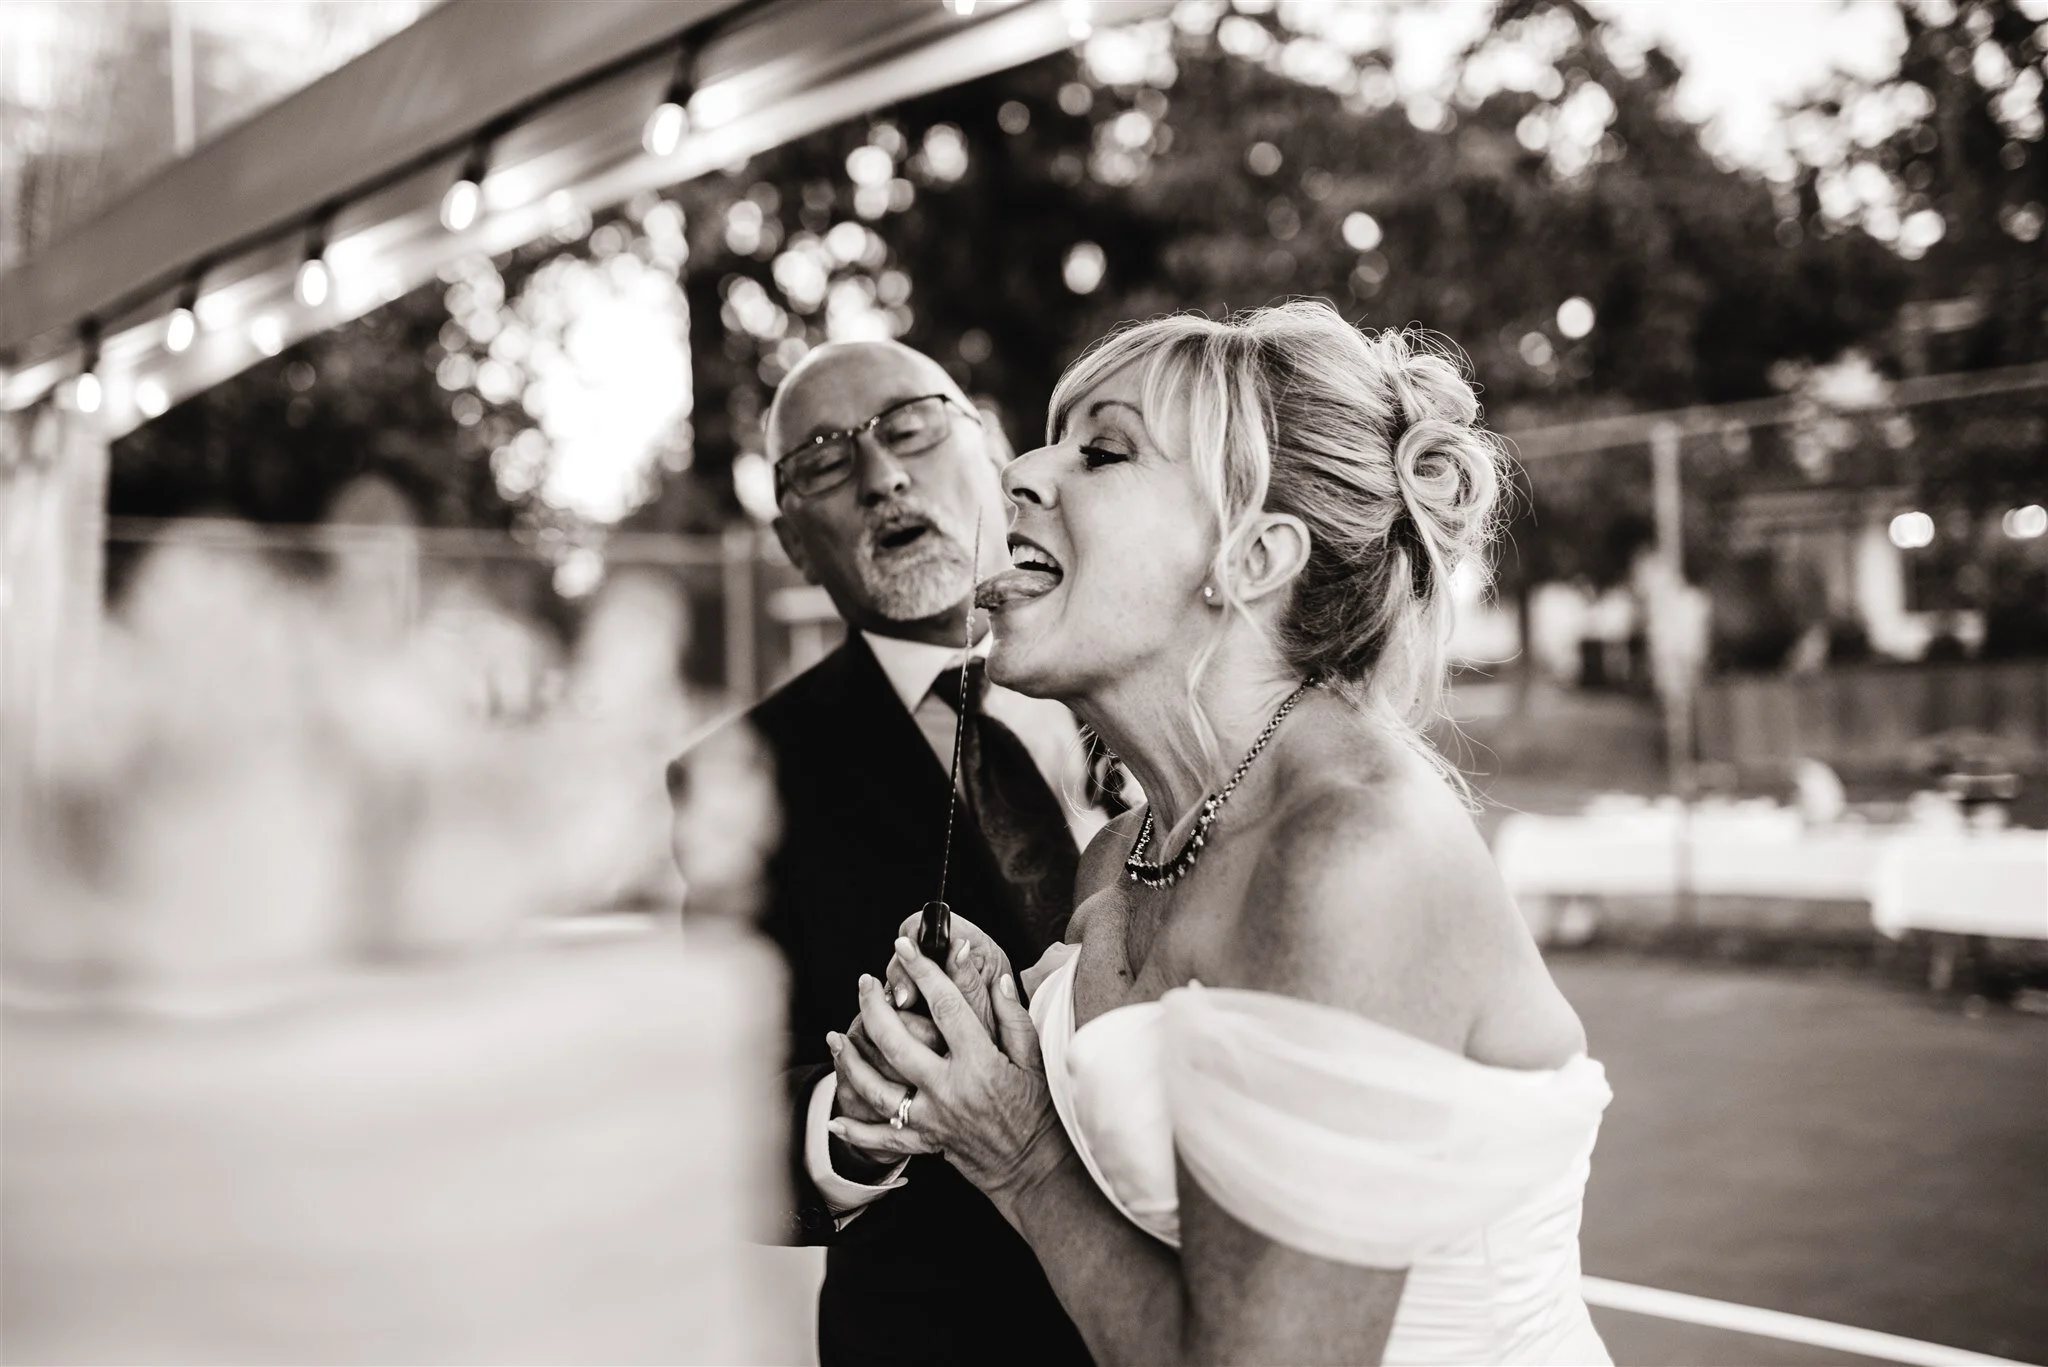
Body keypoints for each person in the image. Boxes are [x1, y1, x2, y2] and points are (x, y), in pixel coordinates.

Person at [828, 303, 1616, 1365]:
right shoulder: (1124, 853)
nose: (1016, 472)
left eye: (1102, 451)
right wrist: (986, 1040)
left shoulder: (1349, 850)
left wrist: (1017, 1148)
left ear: (1251, 557)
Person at [667, 340, 1107, 1366]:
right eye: (823, 462)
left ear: (990, 444)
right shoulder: (732, 780)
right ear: (793, 545)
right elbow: (725, 1110)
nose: (880, 475)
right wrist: (852, 1118)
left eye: (908, 424)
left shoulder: (1146, 679)